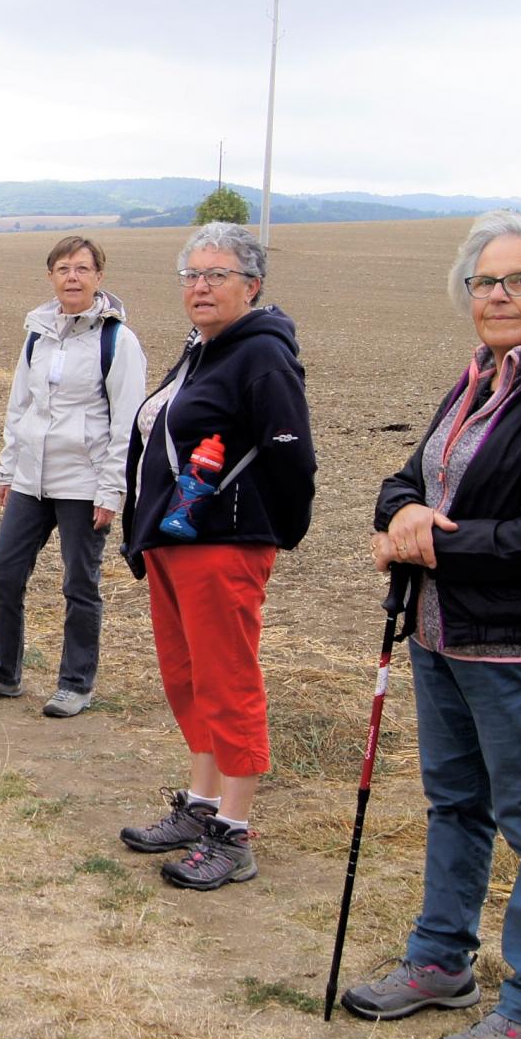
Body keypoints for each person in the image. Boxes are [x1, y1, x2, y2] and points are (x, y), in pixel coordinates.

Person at [339, 211, 521, 1039]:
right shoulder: (477, 382)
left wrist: (427, 539)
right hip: (442, 635)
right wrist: (401, 512)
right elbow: (408, 475)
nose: (495, 296)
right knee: (454, 805)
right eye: (482, 282)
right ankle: (440, 962)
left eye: (517, 281)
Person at [117, 222, 316, 890]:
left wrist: (265, 532)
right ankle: (199, 806)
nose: (200, 287)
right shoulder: (201, 350)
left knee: (226, 682)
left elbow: (291, 455)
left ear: (251, 285)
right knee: (187, 679)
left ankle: (232, 833)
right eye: (191, 276)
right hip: (174, 544)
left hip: (222, 545)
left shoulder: (259, 355)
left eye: (216, 275)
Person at [0, 236, 146, 716]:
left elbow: (127, 423)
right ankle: (3, 671)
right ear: (51, 277)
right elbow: (21, 406)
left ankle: (75, 683)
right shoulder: (37, 333)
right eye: (63, 269)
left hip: (84, 483)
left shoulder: (117, 341)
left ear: (100, 277)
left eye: (82, 269)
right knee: (4, 575)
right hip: (30, 480)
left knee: (80, 586)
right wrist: (8, 468)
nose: (72, 277)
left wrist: (111, 490)